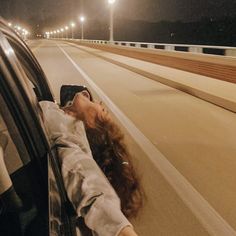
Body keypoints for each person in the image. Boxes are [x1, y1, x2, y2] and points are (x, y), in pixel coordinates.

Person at [39, 85, 143, 236]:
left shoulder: (70, 138)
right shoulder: (58, 116)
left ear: (93, 126)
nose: (99, 102)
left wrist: (123, 231)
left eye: (103, 110)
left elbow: (91, 187)